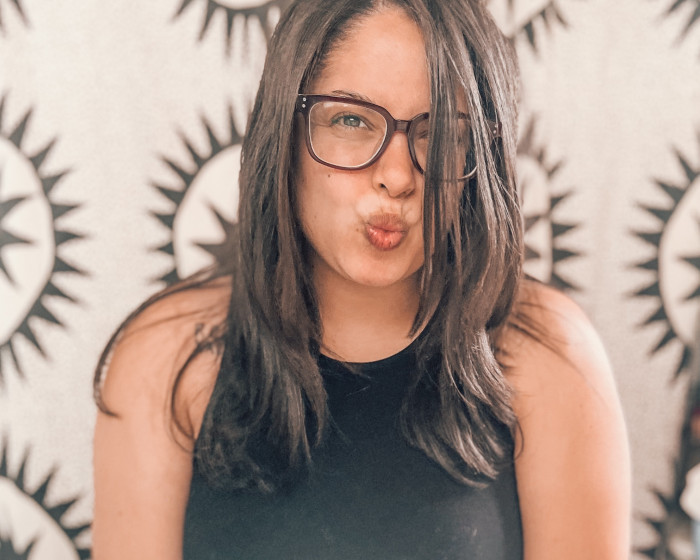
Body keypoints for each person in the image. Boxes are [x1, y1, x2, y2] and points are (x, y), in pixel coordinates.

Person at [91, 0, 631, 558]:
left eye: (440, 132)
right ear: (284, 132)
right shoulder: (169, 359)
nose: (397, 177)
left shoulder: (549, 355)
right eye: (350, 120)